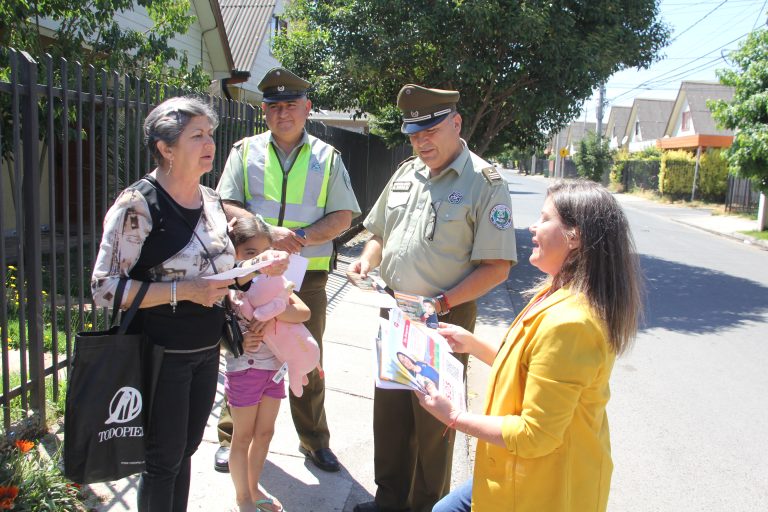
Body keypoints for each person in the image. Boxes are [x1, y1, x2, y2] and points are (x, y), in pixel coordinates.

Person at [90, 96, 289, 512]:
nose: (209, 143)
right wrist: (186, 292)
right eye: (196, 135)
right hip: (161, 352)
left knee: (186, 451)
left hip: (205, 350)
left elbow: (219, 275)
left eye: (210, 134)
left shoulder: (212, 201)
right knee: (162, 461)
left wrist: (255, 268)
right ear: (165, 148)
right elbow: (105, 287)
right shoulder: (139, 204)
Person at [422, 179, 644, 512]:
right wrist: (472, 344)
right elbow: (533, 373)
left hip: (543, 488)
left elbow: (534, 435)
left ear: (574, 236)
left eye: (544, 219)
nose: (532, 227)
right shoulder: (555, 293)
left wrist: (454, 416)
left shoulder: (572, 324)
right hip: (517, 470)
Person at [349, 84, 518, 512]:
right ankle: (388, 501)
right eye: (414, 134)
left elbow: (497, 267)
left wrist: (440, 304)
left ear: (456, 124)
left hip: (444, 320)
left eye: (431, 131)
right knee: (390, 415)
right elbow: (380, 234)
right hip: (395, 312)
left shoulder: (484, 182)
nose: (421, 141)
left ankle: (426, 505)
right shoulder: (407, 172)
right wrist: (367, 261)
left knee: (434, 421)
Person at [215, 67, 362, 473]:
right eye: (275, 106)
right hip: (251, 272)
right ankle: (230, 438)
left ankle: (314, 441)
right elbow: (226, 203)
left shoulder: (327, 158)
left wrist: (298, 236)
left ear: (307, 109)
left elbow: (344, 214)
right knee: (243, 350)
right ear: (264, 111)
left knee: (306, 356)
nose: (283, 114)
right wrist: (265, 233)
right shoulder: (244, 152)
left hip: (307, 274)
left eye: (291, 106)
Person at [225, 215, 310, 512]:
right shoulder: (228, 284)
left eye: (263, 253)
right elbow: (218, 328)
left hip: (273, 369)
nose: (258, 260)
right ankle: (243, 498)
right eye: (250, 253)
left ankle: (253, 488)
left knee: (265, 433)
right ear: (233, 252)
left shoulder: (275, 281)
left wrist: (271, 313)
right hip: (244, 369)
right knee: (243, 436)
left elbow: (303, 312)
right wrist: (239, 340)